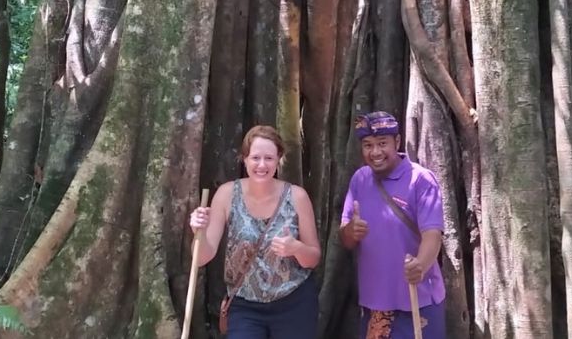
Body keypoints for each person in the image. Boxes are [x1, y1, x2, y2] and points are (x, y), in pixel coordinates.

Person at [189, 125, 320, 338]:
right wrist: (199, 232)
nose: (261, 165)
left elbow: (313, 259)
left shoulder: (297, 197)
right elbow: (202, 257)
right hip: (245, 305)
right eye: (255, 158)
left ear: (279, 159)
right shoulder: (227, 194)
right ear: (244, 159)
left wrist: (296, 248)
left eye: (269, 158)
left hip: (293, 301)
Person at [339, 111, 446, 339]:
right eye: (368, 145)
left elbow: (433, 234)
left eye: (382, 143)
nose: (375, 152)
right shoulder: (360, 179)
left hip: (418, 300)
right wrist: (351, 231)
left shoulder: (421, 180)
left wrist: (420, 265)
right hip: (375, 306)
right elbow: (346, 239)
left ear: (397, 142)